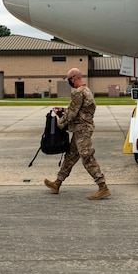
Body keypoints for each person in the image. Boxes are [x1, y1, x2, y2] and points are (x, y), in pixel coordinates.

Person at [44, 68, 110, 200]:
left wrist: (59, 122)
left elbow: (73, 114)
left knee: (86, 157)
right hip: (81, 129)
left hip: (82, 130)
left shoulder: (78, 92)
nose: (68, 81)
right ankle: (57, 183)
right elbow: (80, 109)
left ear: (74, 78)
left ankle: (102, 186)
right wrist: (63, 109)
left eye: (68, 79)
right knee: (70, 156)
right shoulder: (86, 90)